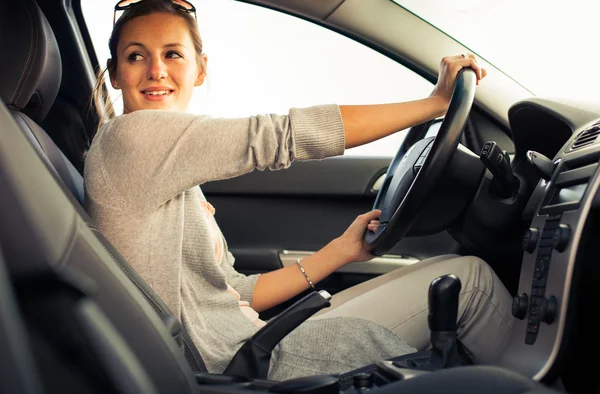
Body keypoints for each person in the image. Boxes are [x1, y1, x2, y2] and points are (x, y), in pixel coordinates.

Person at [84, 0, 514, 381]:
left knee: (454, 273)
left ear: (200, 69)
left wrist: (340, 252)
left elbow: (234, 292)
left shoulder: (165, 165)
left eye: (172, 54)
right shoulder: (133, 138)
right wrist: (434, 104)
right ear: (116, 75)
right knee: (471, 282)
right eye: (136, 56)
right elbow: (282, 135)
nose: (156, 70)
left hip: (247, 345)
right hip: (241, 367)